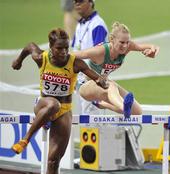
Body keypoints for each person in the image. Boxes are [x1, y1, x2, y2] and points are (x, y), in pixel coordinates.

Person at [11, 28, 108, 174]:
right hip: (43, 104)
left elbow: (95, 77)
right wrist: (18, 61)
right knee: (52, 104)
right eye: (59, 48)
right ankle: (25, 139)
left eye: (66, 48)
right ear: (51, 47)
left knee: (54, 160)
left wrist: (102, 82)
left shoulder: (76, 63)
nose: (63, 52)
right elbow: (30, 46)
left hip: (64, 109)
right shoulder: (41, 58)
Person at [73, 21, 160, 116]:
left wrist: (153, 51)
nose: (125, 46)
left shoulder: (128, 47)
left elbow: (153, 46)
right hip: (85, 85)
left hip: (103, 84)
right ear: (111, 39)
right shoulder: (99, 51)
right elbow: (75, 55)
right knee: (111, 85)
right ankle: (123, 107)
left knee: (136, 111)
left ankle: (102, 104)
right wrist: (55, 55)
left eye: (127, 42)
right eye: (122, 42)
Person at [72, 0, 108, 114]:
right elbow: (74, 50)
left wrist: (93, 79)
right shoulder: (79, 24)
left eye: (81, 1)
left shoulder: (98, 25)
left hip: (91, 79)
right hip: (78, 78)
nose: (77, 4)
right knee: (81, 117)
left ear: (91, 2)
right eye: (75, 2)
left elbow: (99, 55)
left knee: (93, 120)